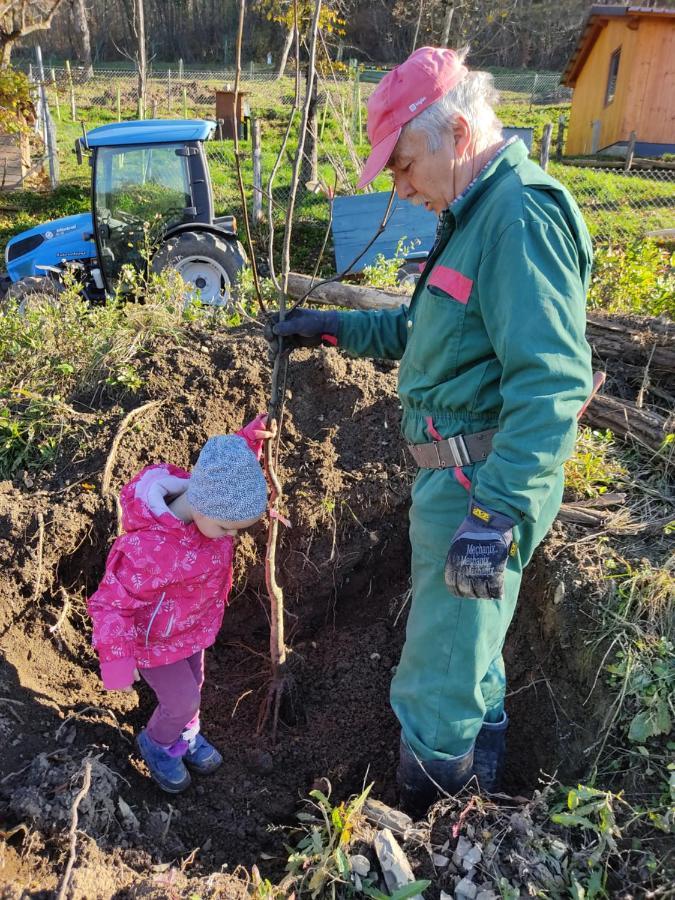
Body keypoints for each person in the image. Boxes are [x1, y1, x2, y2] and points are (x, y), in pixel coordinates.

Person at [268, 47, 593, 815]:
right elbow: (427, 330)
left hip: (480, 486)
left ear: (454, 133)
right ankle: (474, 807)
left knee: (435, 678)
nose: (401, 187)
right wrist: (333, 328)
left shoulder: (519, 216)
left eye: (405, 166)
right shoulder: (472, 213)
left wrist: (493, 513)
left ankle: (429, 838)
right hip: (455, 480)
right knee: (466, 661)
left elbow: (551, 386)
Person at [87, 414, 272, 793]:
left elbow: (225, 469)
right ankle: (156, 745)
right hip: (154, 642)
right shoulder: (150, 549)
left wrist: (248, 442)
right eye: (226, 528)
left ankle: (183, 737)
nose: (232, 537)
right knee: (183, 699)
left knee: (195, 686)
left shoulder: (211, 498)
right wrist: (117, 660)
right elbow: (111, 603)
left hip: (192, 628)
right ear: (200, 505)